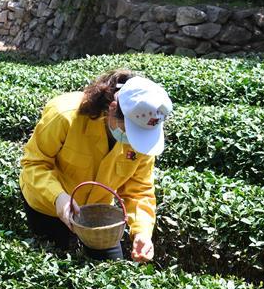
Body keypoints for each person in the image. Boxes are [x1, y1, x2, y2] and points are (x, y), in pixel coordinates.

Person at [19, 70, 172, 262]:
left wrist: (141, 231)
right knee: (57, 264)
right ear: (113, 108)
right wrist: (57, 198)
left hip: (97, 214)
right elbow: (34, 163)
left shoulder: (143, 139)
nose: (133, 142)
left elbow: (139, 189)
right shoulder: (65, 115)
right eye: (129, 131)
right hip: (48, 206)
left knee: (110, 267)